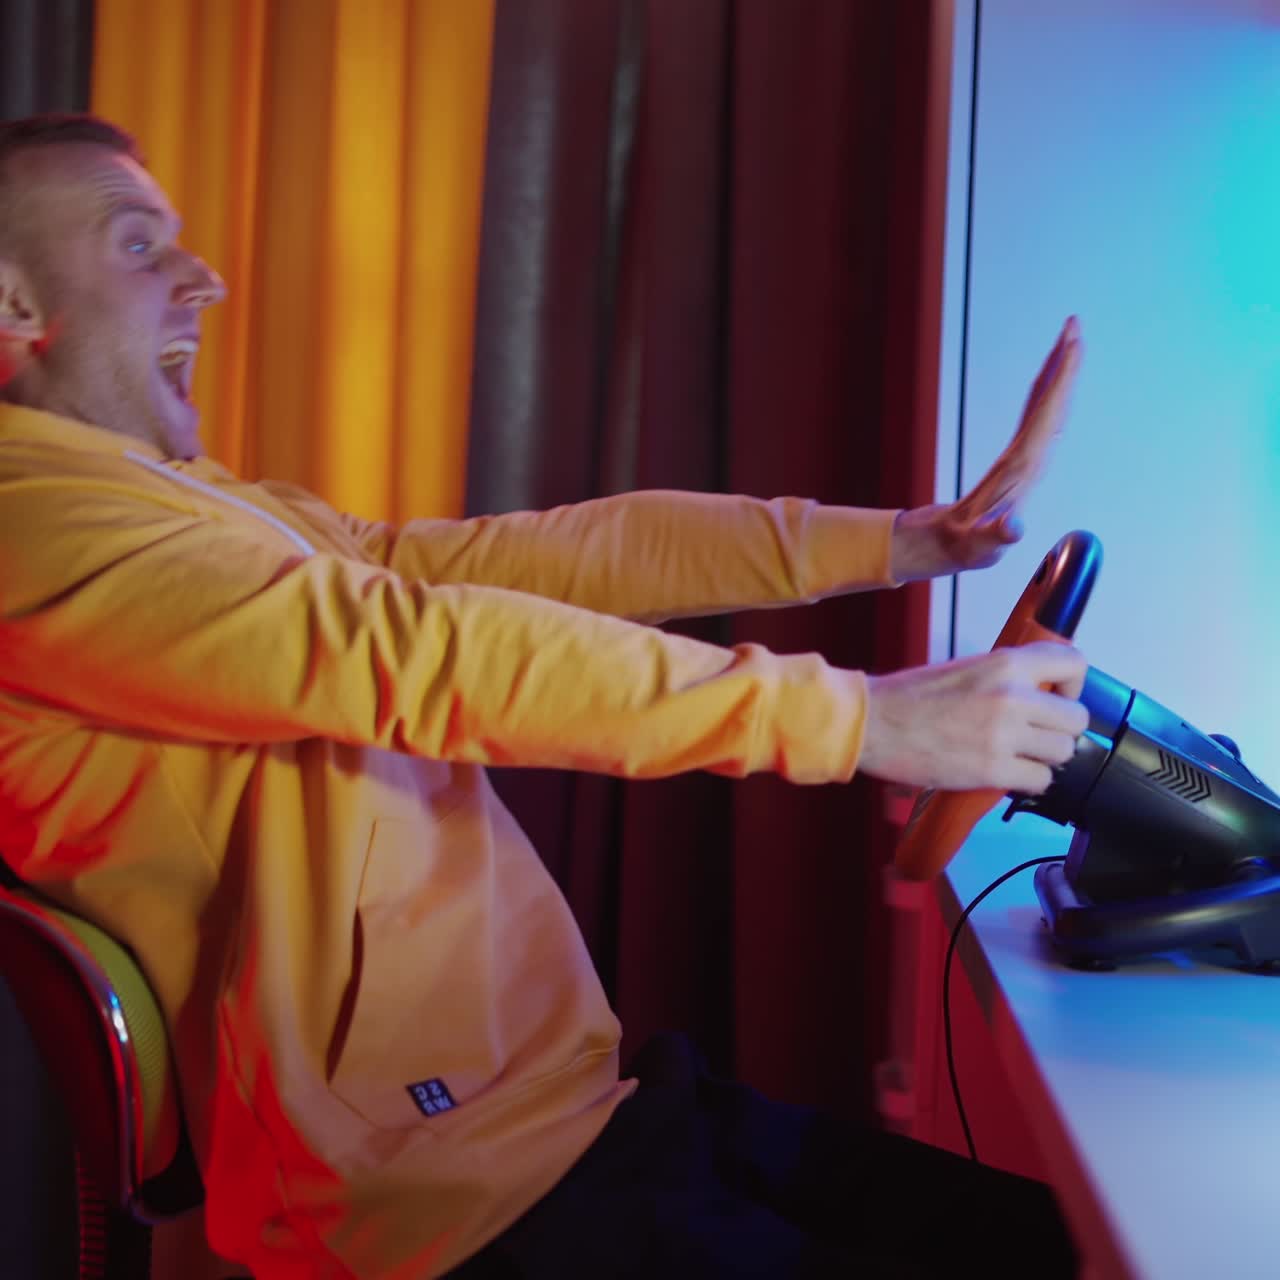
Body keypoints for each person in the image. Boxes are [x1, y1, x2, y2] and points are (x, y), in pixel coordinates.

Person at [0, 114, 1087, 1278]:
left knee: (1053, 1242)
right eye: (136, 244)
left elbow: (521, 562)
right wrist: (865, 720)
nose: (200, 277)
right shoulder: (31, 527)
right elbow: (413, 652)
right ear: (14, 302)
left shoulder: (187, 502)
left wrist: (904, 540)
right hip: (445, 1199)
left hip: (566, 1116)